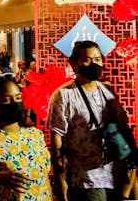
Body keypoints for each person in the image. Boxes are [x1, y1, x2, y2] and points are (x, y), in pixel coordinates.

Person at [48, 41, 135, 201]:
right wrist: (60, 179)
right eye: (87, 60)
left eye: (97, 59)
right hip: (86, 178)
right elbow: (56, 139)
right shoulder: (63, 95)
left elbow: (123, 127)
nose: (94, 63)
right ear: (74, 64)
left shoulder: (108, 91)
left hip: (116, 173)